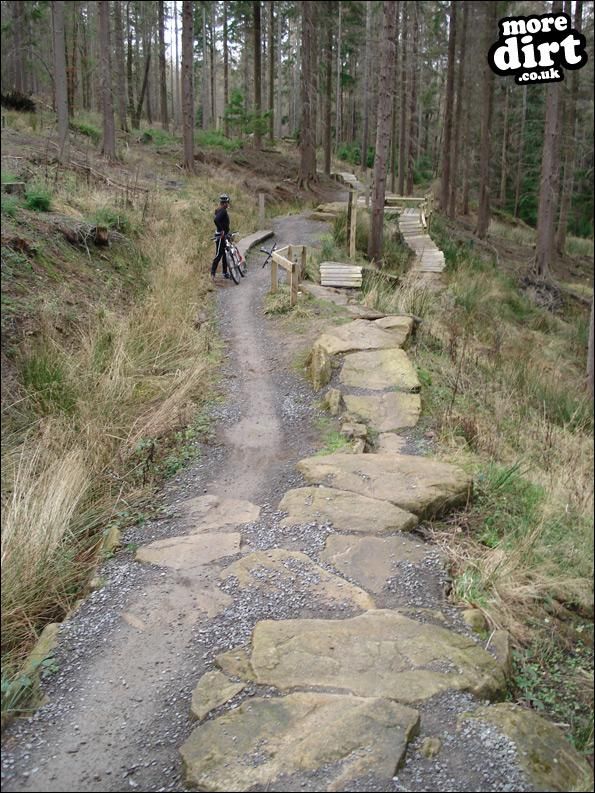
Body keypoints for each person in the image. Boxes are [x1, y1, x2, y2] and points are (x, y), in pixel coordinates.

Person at [211, 194, 231, 281]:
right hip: (220, 236)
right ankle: (212, 273)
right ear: (224, 203)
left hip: (225, 235)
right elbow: (216, 220)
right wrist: (222, 230)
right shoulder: (222, 211)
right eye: (227, 202)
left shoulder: (221, 210)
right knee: (219, 254)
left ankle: (225, 272)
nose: (228, 204)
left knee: (225, 254)